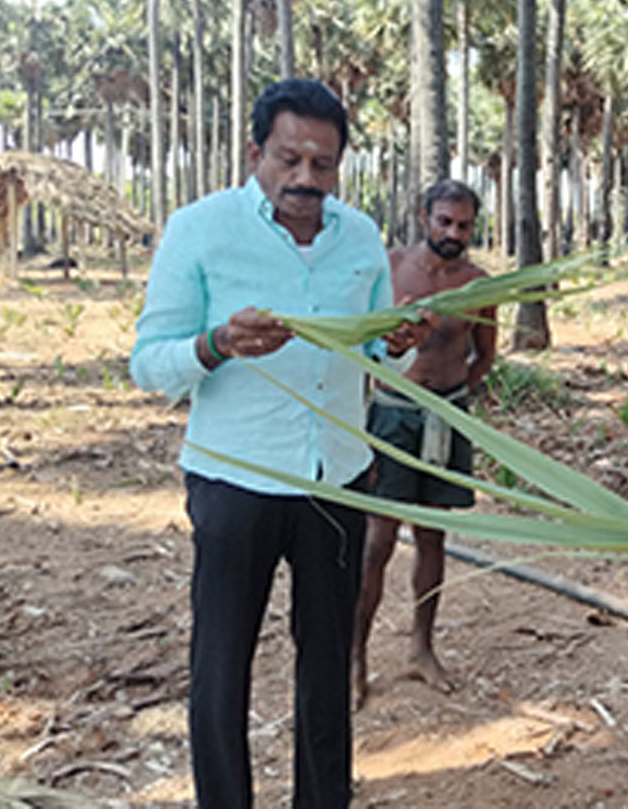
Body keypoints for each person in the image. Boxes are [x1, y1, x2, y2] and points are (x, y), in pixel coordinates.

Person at [130, 78, 428, 808]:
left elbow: (382, 358)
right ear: (256, 150)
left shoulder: (357, 237)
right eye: (289, 159)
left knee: (327, 663)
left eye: (322, 165)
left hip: (337, 479)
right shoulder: (200, 229)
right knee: (221, 664)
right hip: (235, 479)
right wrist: (218, 343)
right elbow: (148, 362)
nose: (305, 179)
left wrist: (399, 343)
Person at [351, 179, 497, 706]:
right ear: (423, 216)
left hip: (447, 419)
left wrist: (451, 398)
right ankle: (357, 657)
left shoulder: (479, 284)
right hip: (391, 417)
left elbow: (485, 355)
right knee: (376, 542)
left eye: (463, 225)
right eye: (445, 222)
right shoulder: (389, 268)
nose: (454, 234)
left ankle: (421, 648)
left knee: (433, 537)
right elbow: (363, 342)